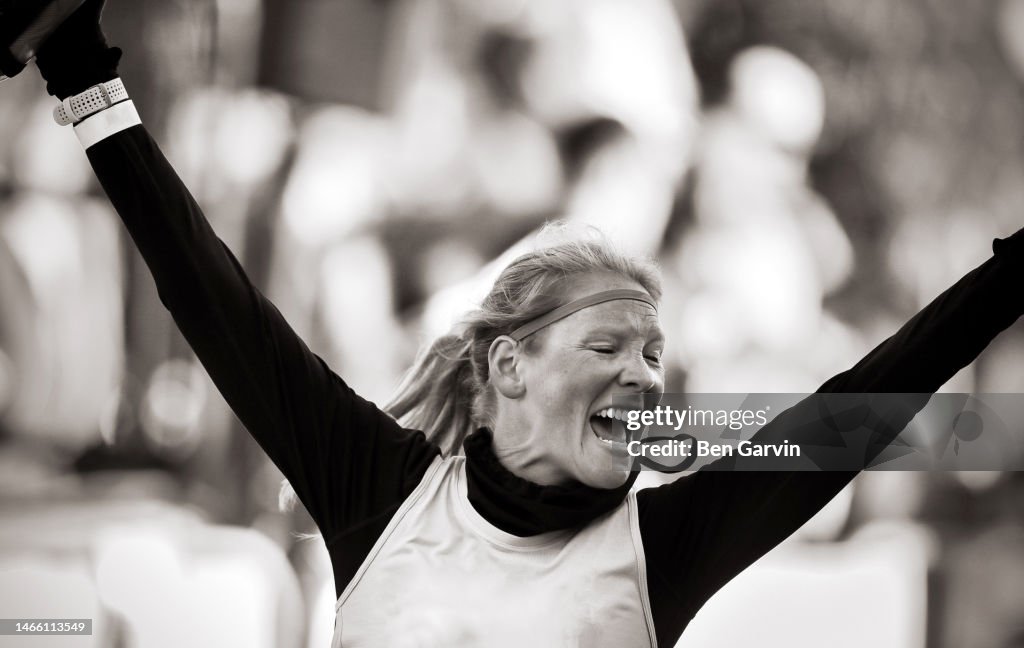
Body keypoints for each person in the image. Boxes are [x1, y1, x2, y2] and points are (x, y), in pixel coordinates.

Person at [5, 2, 1023, 646]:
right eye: (608, 348)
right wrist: (85, 73)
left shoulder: (666, 548)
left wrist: (1008, 279)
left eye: (654, 357)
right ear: (508, 368)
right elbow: (211, 298)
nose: (644, 379)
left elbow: (852, 417)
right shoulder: (378, 490)